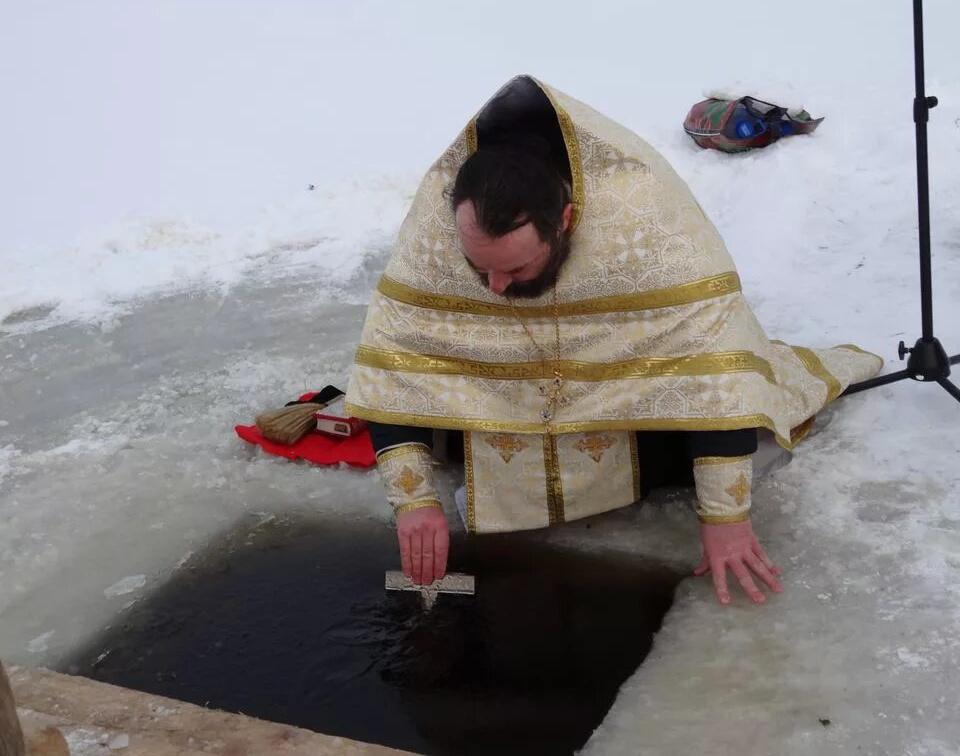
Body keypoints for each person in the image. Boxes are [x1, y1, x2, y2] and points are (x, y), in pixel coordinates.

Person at [345, 76, 882, 605]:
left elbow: (714, 368)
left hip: (628, 417)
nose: (497, 288)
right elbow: (397, 367)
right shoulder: (442, 218)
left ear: (567, 220)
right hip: (497, 425)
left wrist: (725, 517)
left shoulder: (643, 210)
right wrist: (414, 500)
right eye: (478, 270)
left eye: (514, 267)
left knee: (742, 440)